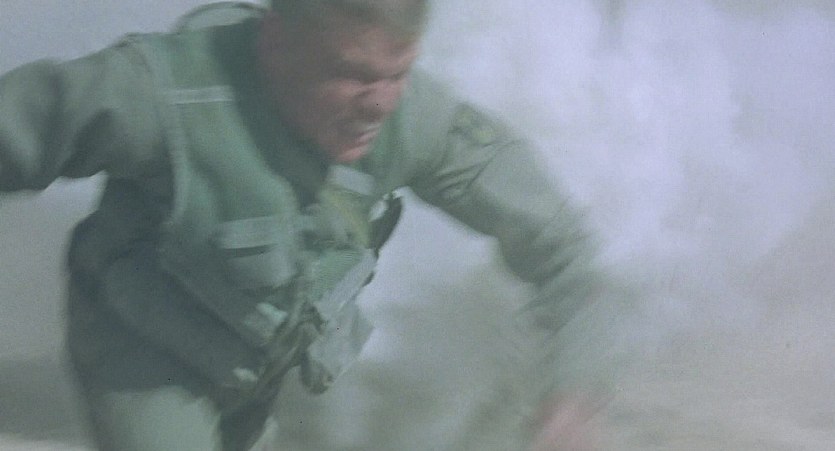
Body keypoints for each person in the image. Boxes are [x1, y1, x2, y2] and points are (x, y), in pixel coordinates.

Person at [0, 1, 611, 449]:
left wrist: (571, 396)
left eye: (397, 74)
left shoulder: (417, 121)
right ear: (276, 43)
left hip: (255, 372)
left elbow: (567, 255)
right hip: (145, 355)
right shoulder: (160, 95)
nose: (378, 104)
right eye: (353, 74)